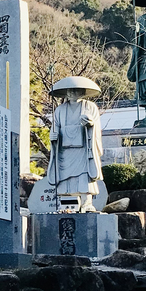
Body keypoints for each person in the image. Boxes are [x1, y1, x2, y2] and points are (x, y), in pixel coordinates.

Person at [45, 76, 104, 212]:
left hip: (83, 149)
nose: (72, 93)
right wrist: (53, 136)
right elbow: (55, 127)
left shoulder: (90, 107)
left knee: (84, 175)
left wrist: (90, 125)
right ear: (66, 92)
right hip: (65, 150)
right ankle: (66, 204)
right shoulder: (60, 110)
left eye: (76, 90)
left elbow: (96, 126)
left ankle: (86, 203)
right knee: (65, 177)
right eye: (70, 90)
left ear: (82, 92)